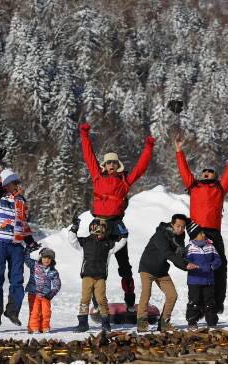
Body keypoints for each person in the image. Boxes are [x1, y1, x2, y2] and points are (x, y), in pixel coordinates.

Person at [79, 122, 155, 312]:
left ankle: (130, 300)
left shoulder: (124, 182)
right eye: (108, 163)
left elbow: (141, 168)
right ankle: (96, 302)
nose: (111, 165)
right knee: (95, 263)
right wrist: (85, 135)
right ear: (104, 166)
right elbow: (89, 156)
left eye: (114, 163)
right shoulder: (97, 176)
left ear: (118, 166)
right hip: (98, 224)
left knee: (124, 265)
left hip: (116, 224)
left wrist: (149, 147)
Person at [174, 133, 228, 313]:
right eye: (204, 171)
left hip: (213, 233)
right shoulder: (193, 186)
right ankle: (196, 305)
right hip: (196, 233)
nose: (207, 173)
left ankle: (217, 303)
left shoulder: (220, 187)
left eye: (210, 171)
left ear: (215, 175)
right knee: (196, 268)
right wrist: (179, 151)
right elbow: (184, 171)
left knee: (220, 265)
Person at [0, 148, 34, 327]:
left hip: (16, 246)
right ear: (5, 184)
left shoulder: (21, 201)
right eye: (13, 182)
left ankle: (12, 311)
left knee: (17, 280)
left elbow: (24, 225)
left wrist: (31, 243)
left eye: (17, 182)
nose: (17, 185)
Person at [136, 214, 199, 333]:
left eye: (183, 227)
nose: (180, 229)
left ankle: (164, 322)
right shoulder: (161, 234)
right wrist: (185, 264)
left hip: (161, 270)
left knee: (172, 295)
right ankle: (142, 322)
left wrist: (187, 264)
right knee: (146, 293)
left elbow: (178, 256)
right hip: (147, 267)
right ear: (172, 224)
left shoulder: (179, 238)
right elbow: (167, 253)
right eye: (178, 226)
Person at [68, 217, 127, 333]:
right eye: (97, 230)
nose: (100, 233)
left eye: (102, 230)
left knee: (101, 299)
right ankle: (83, 323)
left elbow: (122, 242)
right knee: (85, 299)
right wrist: (74, 228)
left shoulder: (108, 244)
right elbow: (72, 241)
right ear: (91, 229)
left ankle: (105, 322)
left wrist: (123, 232)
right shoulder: (85, 242)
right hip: (87, 276)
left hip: (100, 277)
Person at [184, 219, 222, 330]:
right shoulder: (189, 248)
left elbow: (218, 259)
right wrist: (188, 265)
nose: (204, 234)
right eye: (201, 233)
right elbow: (184, 261)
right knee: (194, 301)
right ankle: (192, 322)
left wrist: (212, 266)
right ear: (194, 236)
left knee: (209, 301)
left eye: (203, 232)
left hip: (209, 280)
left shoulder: (210, 246)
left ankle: (212, 323)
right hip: (194, 281)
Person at [24, 247, 61, 334]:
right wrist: (29, 249)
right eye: (44, 257)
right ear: (40, 258)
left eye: (49, 258)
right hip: (33, 292)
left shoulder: (53, 271)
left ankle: (44, 327)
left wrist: (52, 292)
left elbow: (57, 283)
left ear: (52, 260)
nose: (46, 260)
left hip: (46, 294)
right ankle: (33, 327)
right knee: (34, 311)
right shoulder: (34, 265)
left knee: (46, 311)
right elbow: (25, 258)